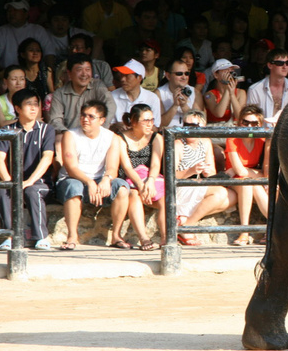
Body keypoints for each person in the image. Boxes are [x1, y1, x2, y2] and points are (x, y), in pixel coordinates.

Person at [56, 100, 130, 250]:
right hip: (74, 179)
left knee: (122, 187)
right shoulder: (70, 135)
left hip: (98, 179)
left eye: (91, 116)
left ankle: (116, 235)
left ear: (102, 120)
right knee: (74, 187)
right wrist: (89, 182)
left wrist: (106, 179)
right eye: (83, 115)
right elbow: (71, 168)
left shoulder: (112, 138)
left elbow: (112, 167)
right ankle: (72, 236)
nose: (85, 119)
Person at [0, 89, 55, 250]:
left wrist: (29, 181)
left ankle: (41, 237)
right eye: (28, 104)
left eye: (36, 104)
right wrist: (9, 182)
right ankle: (9, 236)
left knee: (32, 190)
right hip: (13, 179)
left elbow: (47, 158)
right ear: (17, 109)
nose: (34, 108)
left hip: (39, 181)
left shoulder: (46, 130)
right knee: (0, 190)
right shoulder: (7, 130)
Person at [173, 110, 237, 246]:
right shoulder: (178, 144)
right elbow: (171, 175)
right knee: (220, 193)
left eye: (194, 126)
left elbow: (212, 171)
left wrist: (207, 171)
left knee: (232, 197)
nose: (189, 129)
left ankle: (187, 222)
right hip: (182, 186)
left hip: (200, 182)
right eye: (186, 125)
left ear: (202, 127)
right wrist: (190, 170)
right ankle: (186, 228)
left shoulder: (206, 142)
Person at [115, 104, 165, 249]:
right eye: (145, 121)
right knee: (134, 194)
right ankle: (144, 238)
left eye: (152, 120)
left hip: (150, 176)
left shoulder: (156, 137)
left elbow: (156, 164)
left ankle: (165, 238)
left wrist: (150, 182)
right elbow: (127, 166)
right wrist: (140, 184)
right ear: (134, 122)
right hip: (130, 178)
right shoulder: (121, 138)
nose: (150, 124)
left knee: (165, 199)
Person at [224, 105, 270, 246]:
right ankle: (244, 231)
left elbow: (264, 172)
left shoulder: (262, 140)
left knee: (251, 185)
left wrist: (253, 173)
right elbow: (240, 172)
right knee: (247, 183)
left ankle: (272, 227)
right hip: (234, 180)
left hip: (250, 181)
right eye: (246, 122)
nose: (249, 126)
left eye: (254, 123)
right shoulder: (233, 139)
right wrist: (256, 174)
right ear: (239, 122)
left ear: (260, 124)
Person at [48, 54, 117, 144]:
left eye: (88, 69)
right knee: (59, 139)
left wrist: (101, 128)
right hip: (70, 136)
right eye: (79, 70)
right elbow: (55, 119)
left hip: (95, 134)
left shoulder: (98, 86)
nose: (84, 74)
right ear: (69, 73)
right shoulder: (60, 93)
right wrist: (67, 133)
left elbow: (111, 105)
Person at [0, 0, 54, 68]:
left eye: (15, 10)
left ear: (26, 14)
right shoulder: (0, 32)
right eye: (9, 10)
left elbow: (49, 53)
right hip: (7, 74)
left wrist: (50, 73)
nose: (11, 13)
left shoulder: (38, 30)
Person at [246, 48, 288, 123]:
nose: (284, 66)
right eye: (280, 63)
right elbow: (250, 119)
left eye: (287, 63)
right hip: (262, 133)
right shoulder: (254, 90)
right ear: (270, 65)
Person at [109, 59, 162, 127]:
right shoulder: (113, 96)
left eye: (127, 76)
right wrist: (116, 126)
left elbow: (155, 127)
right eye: (121, 75)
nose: (122, 79)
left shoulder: (152, 98)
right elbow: (106, 125)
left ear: (139, 78)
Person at [158, 58, 205, 127]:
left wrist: (184, 106)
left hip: (190, 135)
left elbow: (199, 124)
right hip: (167, 135)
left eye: (186, 73)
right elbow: (159, 125)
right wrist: (175, 106)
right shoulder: (158, 94)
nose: (184, 77)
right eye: (179, 74)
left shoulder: (195, 92)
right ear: (168, 76)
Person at [204, 58, 246, 124]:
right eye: (226, 70)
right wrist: (227, 90)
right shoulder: (209, 95)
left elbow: (240, 116)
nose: (230, 73)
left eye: (231, 70)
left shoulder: (241, 93)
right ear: (216, 75)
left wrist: (232, 95)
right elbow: (219, 114)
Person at [18, 38, 54, 108]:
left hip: (45, 108)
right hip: (25, 108)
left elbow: (51, 92)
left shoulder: (46, 71)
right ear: (23, 54)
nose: (35, 53)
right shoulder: (19, 72)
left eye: (38, 50)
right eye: (31, 50)